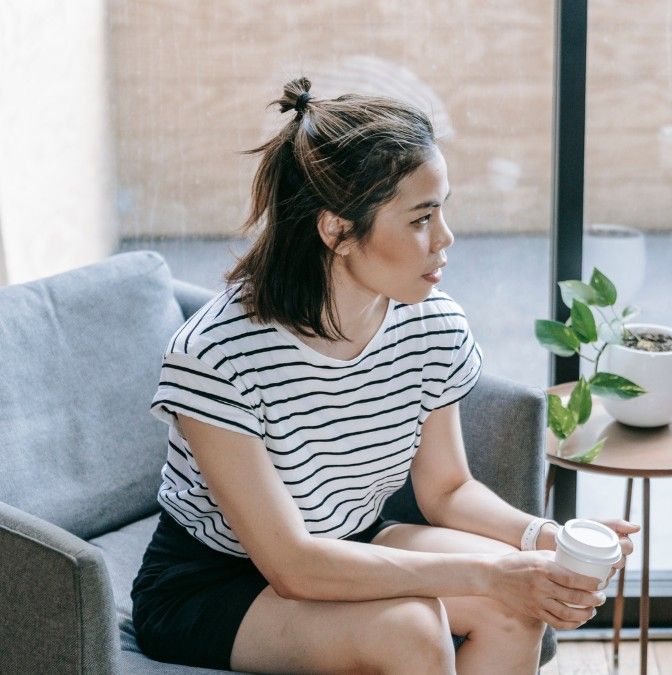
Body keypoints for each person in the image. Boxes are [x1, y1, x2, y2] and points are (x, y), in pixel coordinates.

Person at [131, 77, 638, 674]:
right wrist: (491, 571)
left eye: (442, 209)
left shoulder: (430, 324)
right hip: (213, 582)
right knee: (413, 630)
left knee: (512, 609)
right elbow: (293, 565)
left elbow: (447, 490)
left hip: (352, 540)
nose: (445, 239)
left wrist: (539, 539)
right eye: (421, 218)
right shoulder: (217, 354)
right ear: (337, 229)